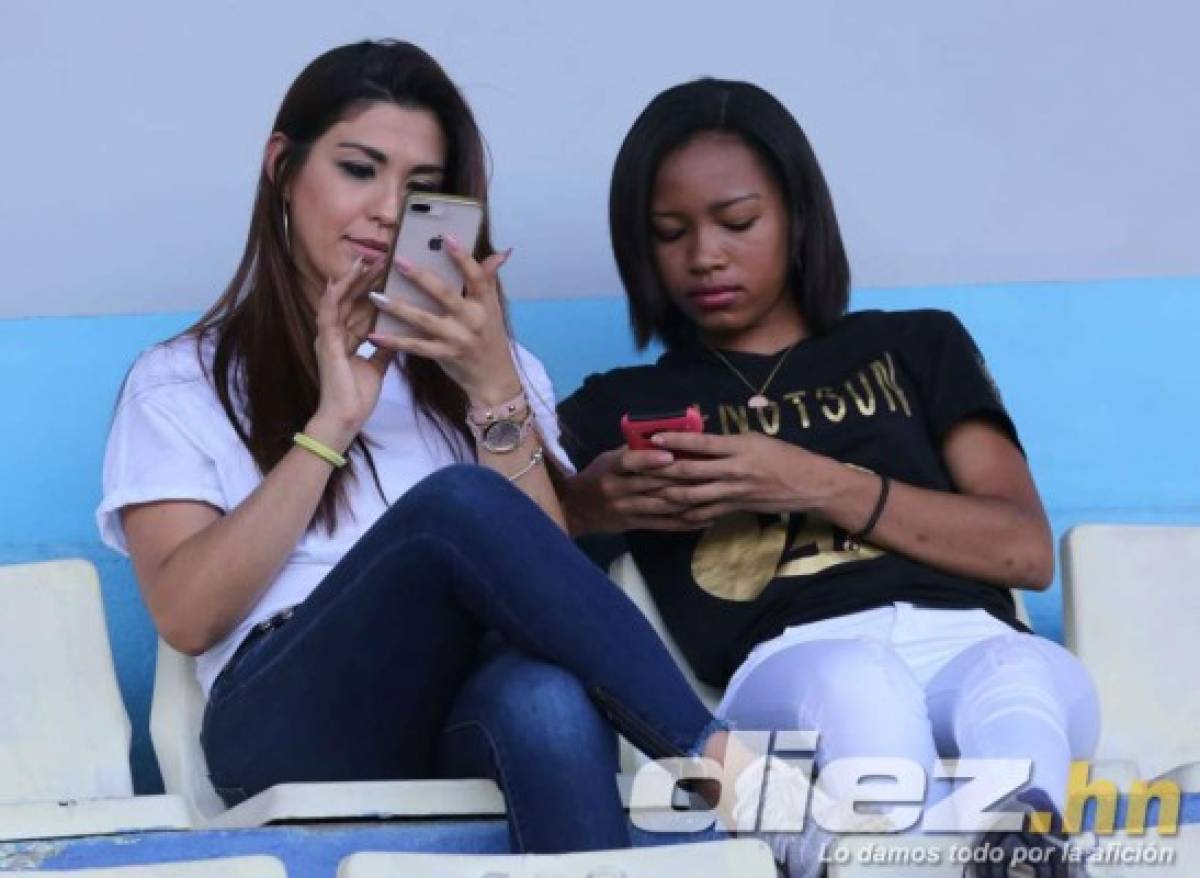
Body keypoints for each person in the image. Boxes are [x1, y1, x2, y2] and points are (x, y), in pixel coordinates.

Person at [94, 44, 822, 872]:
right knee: (458, 504)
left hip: (456, 698)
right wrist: (331, 426)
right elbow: (188, 616)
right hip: (289, 716)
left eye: (418, 190)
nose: (384, 209)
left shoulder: (494, 368)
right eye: (359, 169)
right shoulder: (180, 381)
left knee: (545, 700)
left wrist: (492, 393)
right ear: (282, 168)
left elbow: (551, 583)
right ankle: (731, 773)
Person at [559, 78, 1100, 876]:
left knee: (1026, 676)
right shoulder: (620, 403)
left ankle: (1024, 842)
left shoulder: (917, 347)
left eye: (737, 222)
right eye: (669, 234)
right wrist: (586, 502)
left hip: (971, 638)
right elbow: (506, 538)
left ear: (798, 217)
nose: (704, 256)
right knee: (862, 683)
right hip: (791, 660)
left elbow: (1024, 552)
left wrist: (813, 480)